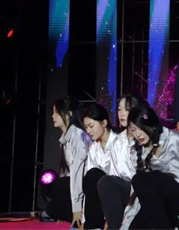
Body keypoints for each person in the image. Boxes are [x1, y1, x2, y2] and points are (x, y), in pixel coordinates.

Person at [122, 104, 179, 230]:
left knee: (140, 178)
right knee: (136, 225)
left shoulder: (174, 139)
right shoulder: (136, 151)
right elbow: (138, 192)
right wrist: (126, 222)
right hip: (163, 200)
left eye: (142, 128)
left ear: (152, 124)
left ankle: (174, 221)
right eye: (133, 130)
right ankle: (175, 221)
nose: (138, 134)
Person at [98, 94, 147, 230]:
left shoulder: (147, 137)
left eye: (127, 109)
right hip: (127, 191)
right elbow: (114, 176)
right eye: (119, 109)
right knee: (105, 181)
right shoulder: (117, 141)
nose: (122, 113)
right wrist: (108, 217)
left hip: (145, 193)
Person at [45, 96, 91, 229]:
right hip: (77, 186)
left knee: (60, 185)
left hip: (87, 185)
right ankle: (76, 220)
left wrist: (76, 209)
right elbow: (67, 173)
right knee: (52, 199)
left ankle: (82, 220)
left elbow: (77, 174)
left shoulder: (79, 136)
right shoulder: (66, 139)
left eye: (56, 112)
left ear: (68, 114)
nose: (53, 116)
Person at [82, 103, 117, 229]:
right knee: (90, 176)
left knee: (95, 175)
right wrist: (84, 220)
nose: (88, 131)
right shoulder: (93, 148)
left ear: (104, 123)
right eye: (86, 127)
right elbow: (88, 187)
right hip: (100, 199)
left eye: (91, 126)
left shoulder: (119, 143)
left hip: (118, 195)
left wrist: (110, 217)